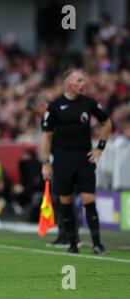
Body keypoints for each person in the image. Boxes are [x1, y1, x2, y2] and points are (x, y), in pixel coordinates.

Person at [41, 69, 113, 254]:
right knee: (66, 200)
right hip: (63, 160)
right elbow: (47, 136)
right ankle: (72, 243)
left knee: (89, 198)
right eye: (79, 80)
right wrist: (46, 162)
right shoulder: (55, 106)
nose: (83, 84)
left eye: (84, 81)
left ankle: (97, 243)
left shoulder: (89, 103)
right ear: (69, 84)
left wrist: (100, 148)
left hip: (84, 158)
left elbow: (107, 122)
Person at [27, 94, 81, 247]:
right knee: (58, 201)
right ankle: (64, 235)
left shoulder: (57, 117)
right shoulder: (48, 118)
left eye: (36, 111)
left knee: (65, 199)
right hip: (53, 164)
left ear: (43, 104)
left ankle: (71, 236)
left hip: (62, 164)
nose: (36, 114)